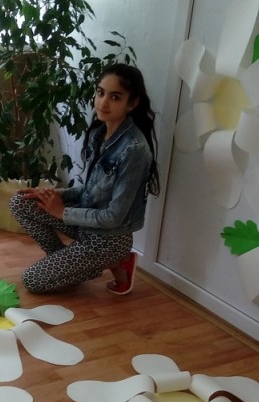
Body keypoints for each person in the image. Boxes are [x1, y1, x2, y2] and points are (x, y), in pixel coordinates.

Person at [9, 62, 159, 295]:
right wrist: (52, 195)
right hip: (85, 225)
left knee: (32, 281)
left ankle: (114, 261)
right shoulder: (99, 133)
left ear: (132, 103)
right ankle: (70, 264)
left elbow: (114, 216)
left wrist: (62, 212)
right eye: (100, 93)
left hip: (108, 240)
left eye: (115, 97)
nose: (103, 103)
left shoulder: (135, 150)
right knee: (21, 202)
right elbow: (89, 190)